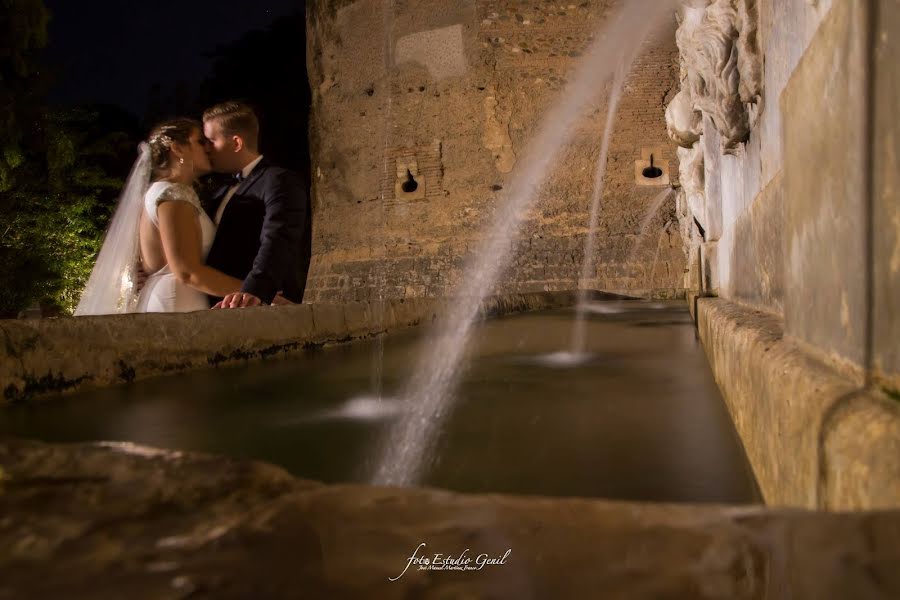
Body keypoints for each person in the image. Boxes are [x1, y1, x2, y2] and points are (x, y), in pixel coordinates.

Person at [75, 119, 246, 315]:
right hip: (177, 303)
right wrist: (254, 291)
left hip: (168, 299)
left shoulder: (159, 192)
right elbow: (188, 272)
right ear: (177, 149)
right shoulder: (173, 195)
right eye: (199, 141)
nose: (207, 147)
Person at [201, 101, 310, 309]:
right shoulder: (219, 193)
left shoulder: (279, 180)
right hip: (214, 305)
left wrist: (256, 289)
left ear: (236, 143)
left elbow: (279, 238)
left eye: (211, 140)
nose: (206, 149)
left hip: (258, 305)